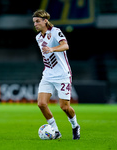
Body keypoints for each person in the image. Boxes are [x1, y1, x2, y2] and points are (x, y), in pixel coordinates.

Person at [32, 10, 80, 140]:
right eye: (34, 22)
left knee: (64, 107)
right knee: (41, 104)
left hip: (62, 75)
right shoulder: (38, 38)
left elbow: (65, 45)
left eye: (37, 21)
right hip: (48, 74)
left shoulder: (55, 31)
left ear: (45, 21)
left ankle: (75, 126)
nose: (35, 24)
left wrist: (52, 49)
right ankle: (56, 131)